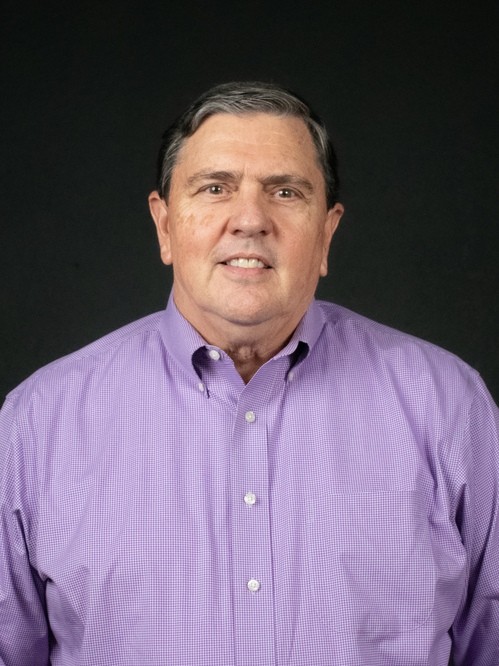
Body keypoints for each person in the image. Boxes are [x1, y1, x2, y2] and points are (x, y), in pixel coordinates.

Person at [0, 81, 497, 666]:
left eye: (285, 191)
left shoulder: (447, 406)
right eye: (215, 188)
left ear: (327, 233)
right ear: (164, 225)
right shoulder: (39, 422)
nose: (250, 219)